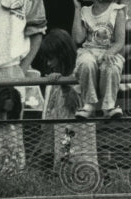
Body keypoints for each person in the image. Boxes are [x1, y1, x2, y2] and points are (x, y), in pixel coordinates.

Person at [72, 0, 126, 119]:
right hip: (89, 51)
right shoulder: (85, 11)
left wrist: (110, 52)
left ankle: (109, 105)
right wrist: (77, 9)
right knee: (86, 63)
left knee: (112, 66)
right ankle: (89, 103)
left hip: (109, 52)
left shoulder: (117, 11)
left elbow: (120, 41)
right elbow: (78, 38)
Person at [38, 28, 97, 167]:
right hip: (61, 135)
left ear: (61, 54)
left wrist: (63, 84)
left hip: (80, 137)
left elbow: (74, 104)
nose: (48, 64)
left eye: (51, 58)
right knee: (63, 165)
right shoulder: (55, 81)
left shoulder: (82, 70)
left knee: (80, 165)